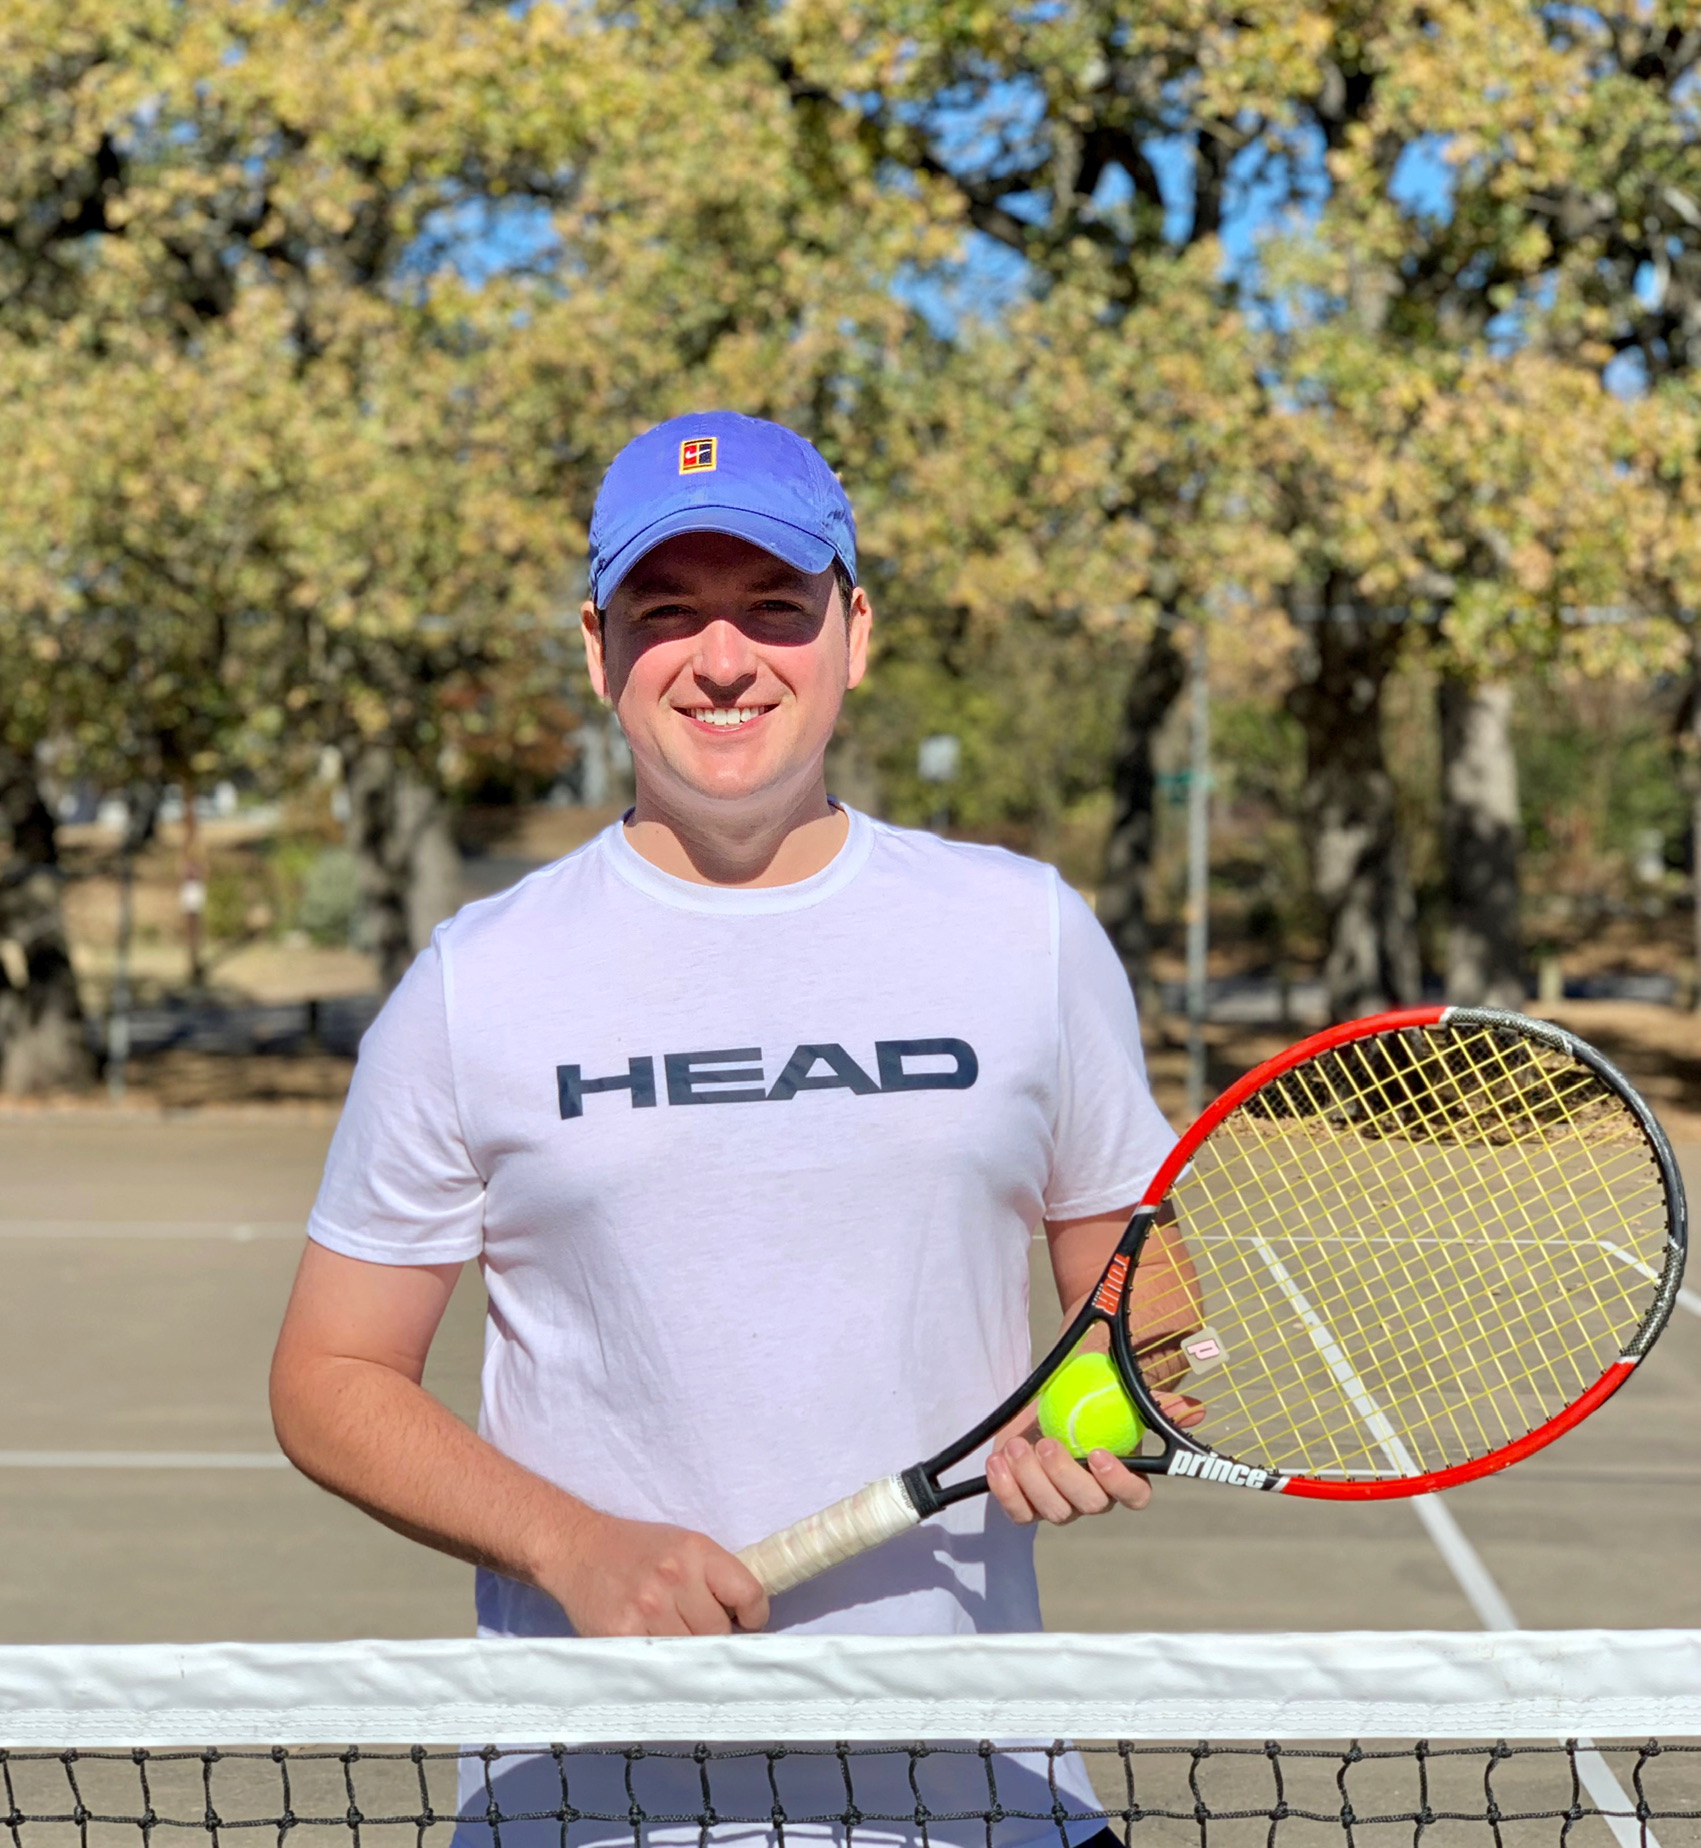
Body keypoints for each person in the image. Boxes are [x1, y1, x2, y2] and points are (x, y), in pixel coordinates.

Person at [270, 410, 1182, 1847]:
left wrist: (1108, 1398)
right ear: (597, 650)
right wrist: (573, 1548)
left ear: (852, 633)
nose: (721, 658)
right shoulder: (476, 981)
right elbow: (328, 1375)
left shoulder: (1026, 934)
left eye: (774, 608)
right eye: (667, 613)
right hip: (586, 1803)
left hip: (968, 1796)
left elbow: (1131, 1284)